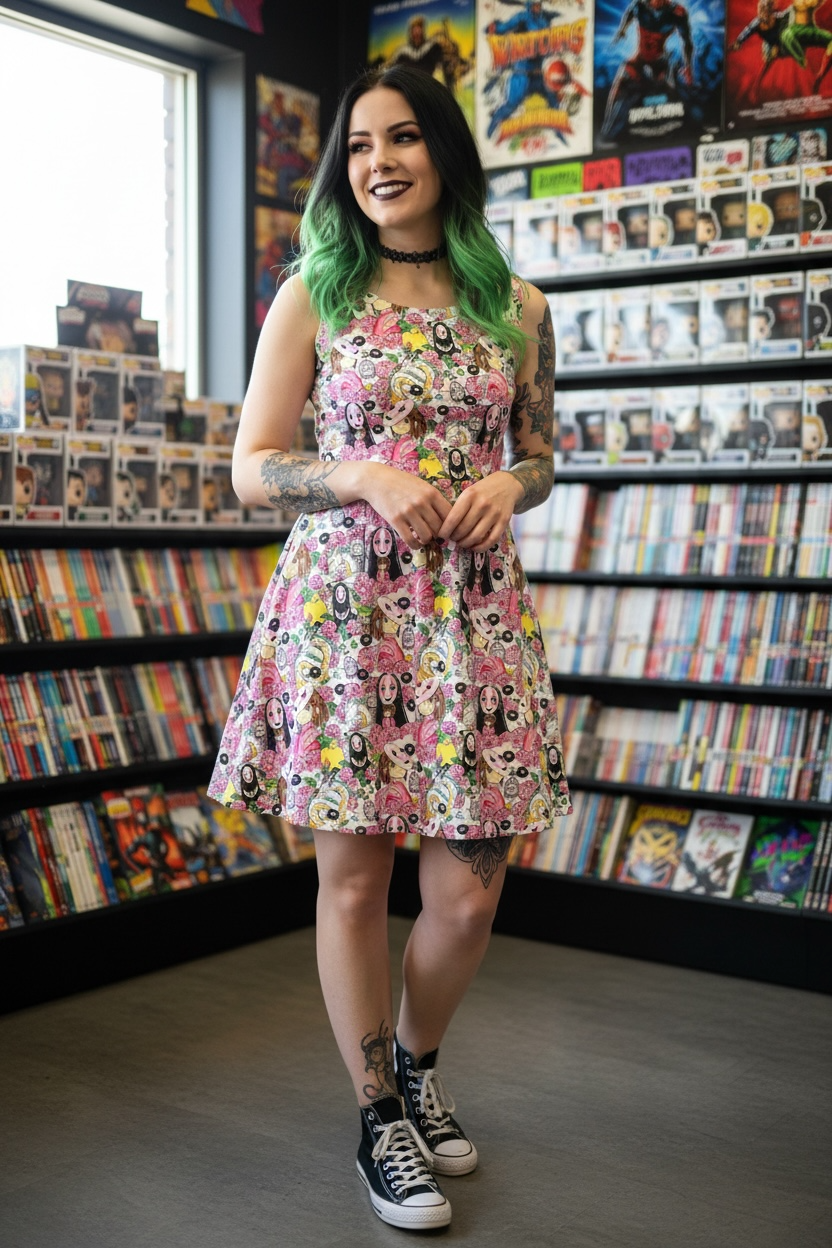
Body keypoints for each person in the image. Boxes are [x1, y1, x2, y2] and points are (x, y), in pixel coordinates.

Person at [208, 63, 570, 1233]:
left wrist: (509, 485)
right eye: (358, 146)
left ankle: (415, 1066)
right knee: (355, 881)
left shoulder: (519, 307)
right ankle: (376, 1117)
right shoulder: (313, 293)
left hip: (473, 616)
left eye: (402, 137)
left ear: (443, 152)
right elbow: (252, 465)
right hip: (346, 616)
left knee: (466, 897)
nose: (378, 162)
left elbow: (541, 455)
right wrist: (361, 474)